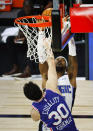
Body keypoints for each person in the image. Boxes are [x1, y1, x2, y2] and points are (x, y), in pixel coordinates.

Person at [23, 40, 78, 131]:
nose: (60, 60)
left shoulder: (70, 79)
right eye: (58, 59)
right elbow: (44, 61)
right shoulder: (48, 78)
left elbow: (72, 61)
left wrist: (71, 40)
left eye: (63, 60)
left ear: (67, 68)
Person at [4, 0, 39, 77]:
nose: (27, 9)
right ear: (23, 7)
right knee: (9, 39)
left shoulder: (36, 15)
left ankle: (28, 69)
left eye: (29, 7)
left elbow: (37, 33)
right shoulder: (20, 14)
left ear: (32, 7)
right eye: (25, 7)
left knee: (33, 41)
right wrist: (18, 37)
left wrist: (26, 38)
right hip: (25, 39)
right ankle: (15, 67)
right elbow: (21, 29)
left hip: (35, 39)